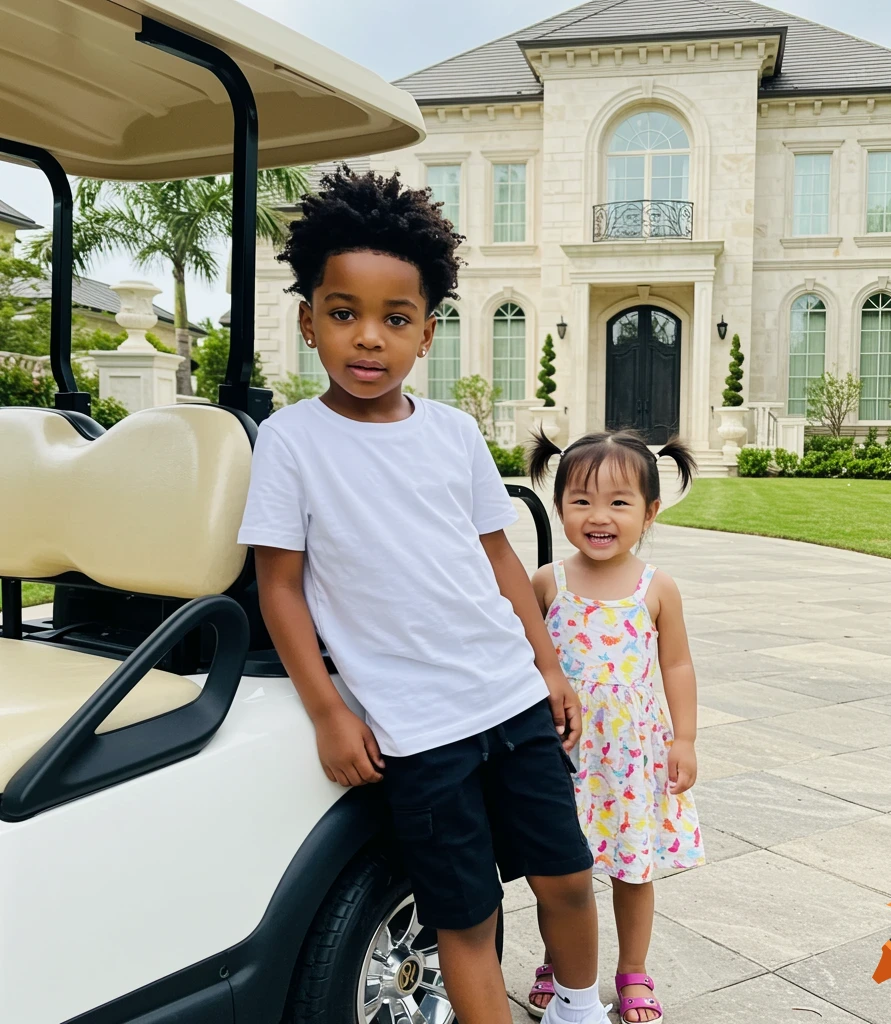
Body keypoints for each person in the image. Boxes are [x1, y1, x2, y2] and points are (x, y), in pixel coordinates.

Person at [236, 167, 612, 1024]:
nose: (368, 339)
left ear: (427, 334)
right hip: (417, 729)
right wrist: (329, 712)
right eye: (344, 314)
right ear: (309, 321)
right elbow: (279, 587)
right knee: (464, 916)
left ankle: (578, 1006)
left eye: (395, 319)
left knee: (566, 875)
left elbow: (500, 560)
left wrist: (549, 667)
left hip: (510, 697)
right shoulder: (292, 442)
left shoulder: (453, 433)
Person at [525, 430, 706, 1024]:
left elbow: (676, 664)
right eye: (581, 500)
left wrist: (685, 739)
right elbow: (525, 658)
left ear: (650, 512)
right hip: (564, 753)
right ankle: (560, 964)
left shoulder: (657, 588)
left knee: (633, 868)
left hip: (629, 755)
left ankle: (633, 970)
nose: (598, 516)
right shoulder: (548, 582)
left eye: (619, 502)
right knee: (559, 872)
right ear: (559, 507)